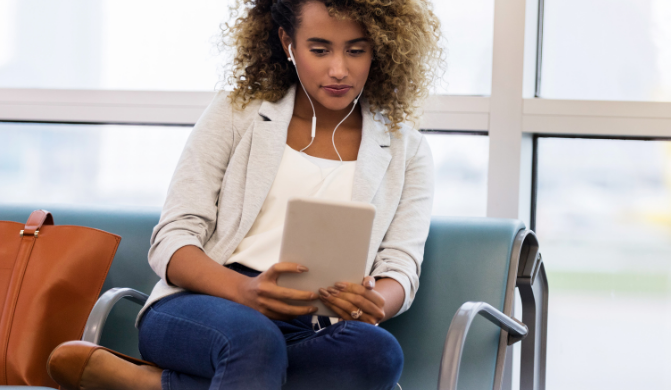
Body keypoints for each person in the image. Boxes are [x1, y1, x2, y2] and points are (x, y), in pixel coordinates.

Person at [46, 0, 443, 389]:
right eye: (319, 50)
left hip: (315, 322)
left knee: (378, 355)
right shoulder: (237, 113)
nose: (339, 69)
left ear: (380, 47)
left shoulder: (406, 149)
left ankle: (156, 385)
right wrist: (243, 292)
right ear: (288, 42)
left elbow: (400, 266)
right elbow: (173, 238)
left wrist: (373, 303)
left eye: (356, 50)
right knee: (254, 340)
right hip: (207, 300)